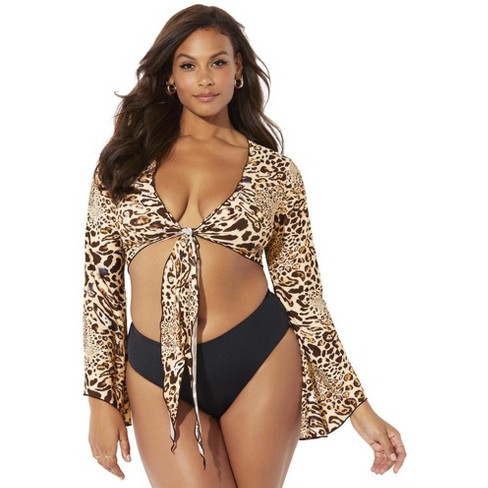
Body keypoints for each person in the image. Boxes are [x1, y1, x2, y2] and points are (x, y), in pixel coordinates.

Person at [82, 4, 406, 486]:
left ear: (238, 70)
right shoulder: (122, 165)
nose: (204, 78)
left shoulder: (276, 173)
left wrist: (360, 410)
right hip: (154, 369)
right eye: (188, 65)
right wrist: (101, 400)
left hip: (259, 358)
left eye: (218, 62)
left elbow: (303, 293)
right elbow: (100, 290)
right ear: (169, 76)